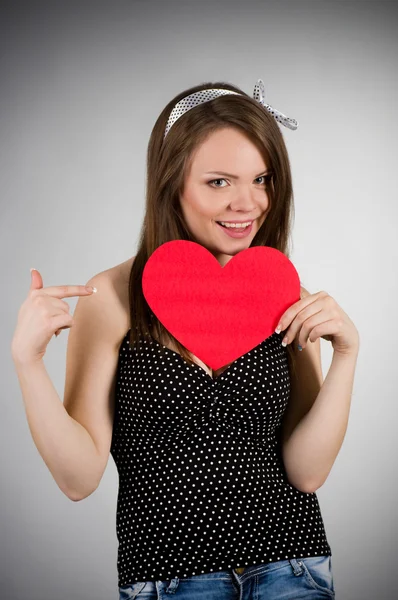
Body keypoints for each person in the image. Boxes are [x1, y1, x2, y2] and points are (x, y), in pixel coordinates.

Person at [11, 78, 360, 599]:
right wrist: (27, 361)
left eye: (262, 179)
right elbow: (78, 478)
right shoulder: (112, 296)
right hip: (170, 579)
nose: (249, 203)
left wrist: (348, 356)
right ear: (171, 182)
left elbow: (307, 473)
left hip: (293, 568)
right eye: (219, 182)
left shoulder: (283, 292)